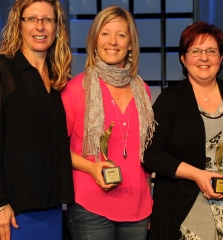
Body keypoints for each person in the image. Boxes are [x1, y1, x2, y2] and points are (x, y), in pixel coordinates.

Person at [0, 0, 74, 239]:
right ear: (19, 24)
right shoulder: (0, 70)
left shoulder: (57, 78)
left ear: (57, 28)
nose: (40, 26)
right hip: (10, 210)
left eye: (47, 20)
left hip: (49, 208)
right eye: (32, 19)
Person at [142, 22, 223, 240]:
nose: (203, 58)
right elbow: (151, 155)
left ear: (221, 57)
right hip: (182, 216)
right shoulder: (170, 99)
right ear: (183, 59)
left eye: (211, 51)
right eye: (195, 51)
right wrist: (197, 174)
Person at [61, 6, 155, 240]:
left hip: (138, 208)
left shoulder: (143, 91)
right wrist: (91, 168)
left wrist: (151, 201)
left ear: (130, 44)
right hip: (89, 207)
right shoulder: (75, 89)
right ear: (94, 41)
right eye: (105, 33)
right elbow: (56, 148)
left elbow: (144, 154)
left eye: (121, 35)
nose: (112, 41)